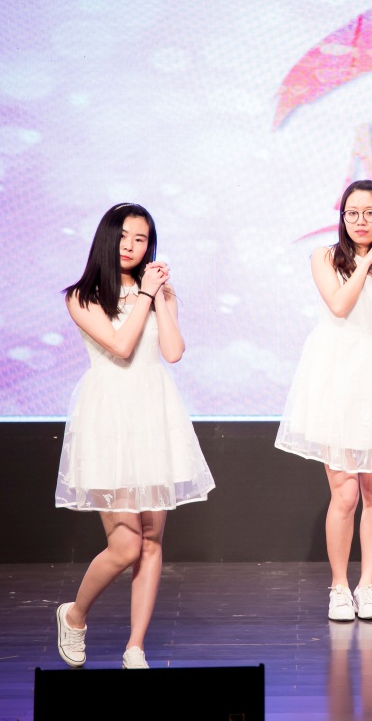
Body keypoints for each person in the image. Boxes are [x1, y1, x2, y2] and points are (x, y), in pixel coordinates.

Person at [55, 202, 215, 669]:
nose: (131, 246)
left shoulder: (159, 292)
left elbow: (173, 351)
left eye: (141, 239)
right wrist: (145, 294)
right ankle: (74, 614)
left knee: (151, 539)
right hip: (109, 419)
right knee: (125, 544)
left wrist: (160, 296)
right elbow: (121, 347)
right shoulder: (82, 296)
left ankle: (135, 646)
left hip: (154, 415)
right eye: (124, 236)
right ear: (108, 238)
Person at [276, 180, 372, 622]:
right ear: (342, 217)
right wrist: (365, 263)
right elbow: (339, 305)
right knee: (345, 491)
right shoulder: (324, 257)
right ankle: (339, 586)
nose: (361, 221)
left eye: (370, 213)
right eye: (352, 213)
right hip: (334, 375)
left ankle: (366, 585)